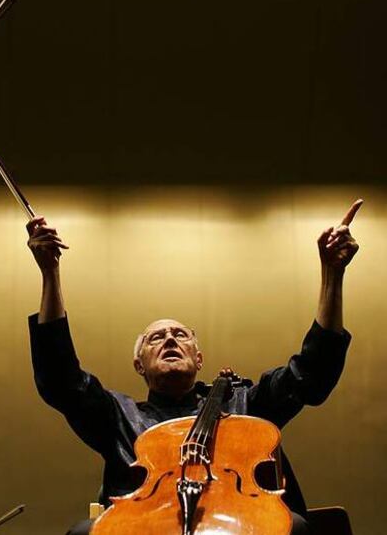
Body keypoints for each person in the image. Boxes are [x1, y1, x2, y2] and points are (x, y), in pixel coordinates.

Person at [27, 199, 362, 535]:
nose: (170, 340)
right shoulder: (118, 415)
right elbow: (61, 381)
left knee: (296, 527)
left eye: (180, 335)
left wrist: (333, 275)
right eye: (155, 338)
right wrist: (49, 273)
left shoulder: (243, 406)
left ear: (199, 359)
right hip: (146, 525)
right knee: (83, 532)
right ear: (138, 364)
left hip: (239, 522)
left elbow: (311, 375)